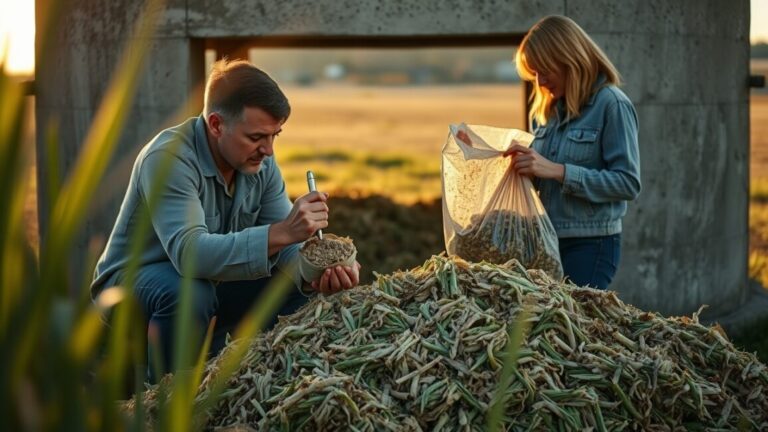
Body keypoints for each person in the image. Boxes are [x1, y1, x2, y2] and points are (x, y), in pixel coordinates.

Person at [91, 59, 361, 382]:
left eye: (275, 135)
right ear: (217, 125)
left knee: (292, 284)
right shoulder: (168, 158)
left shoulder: (259, 162)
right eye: (257, 137)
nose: (268, 151)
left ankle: (244, 378)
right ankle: (166, 393)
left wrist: (318, 274)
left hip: (210, 281)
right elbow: (190, 254)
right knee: (189, 293)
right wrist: (283, 231)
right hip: (135, 285)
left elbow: (287, 249)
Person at [505, 15, 641, 290]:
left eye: (545, 70)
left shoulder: (612, 105)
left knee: (572, 319)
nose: (540, 82)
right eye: (534, 73)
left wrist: (558, 171)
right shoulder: (544, 113)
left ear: (570, 59)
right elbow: (541, 176)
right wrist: (521, 166)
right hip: (544, 241)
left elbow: (628, 183)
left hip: (590, 246)